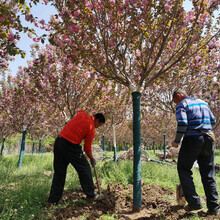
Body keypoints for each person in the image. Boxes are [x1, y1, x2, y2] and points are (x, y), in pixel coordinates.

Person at [171, 89, 220, 215]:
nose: (175, 103)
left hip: (193, 139)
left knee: (183, 168)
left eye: (174, 100)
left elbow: (182, 123)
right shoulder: (203, 103)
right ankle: (214, 207)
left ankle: (194, 202)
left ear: (178, 95)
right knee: (208, 173)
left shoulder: (182, 105)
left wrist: (176, 141)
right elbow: (213, 120)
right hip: (208, 138)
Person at [48, 110, 105, 205]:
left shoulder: (82, 114)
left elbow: (79, 111)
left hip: (59, 142)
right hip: (70, 145)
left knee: (59, 173)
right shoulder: (91, 127)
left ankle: (54, 200)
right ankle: (90, 195)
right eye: (99, 125)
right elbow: (87, 148)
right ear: (97, 120)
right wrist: (92, 159)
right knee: (85, 168)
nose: (97, 127)